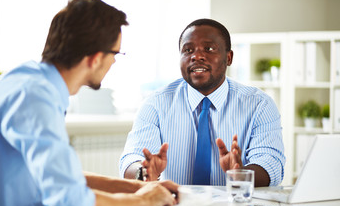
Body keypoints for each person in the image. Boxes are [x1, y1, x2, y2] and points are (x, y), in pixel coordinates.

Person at [0, 0, 178, 206]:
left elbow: (64, 180)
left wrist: (141, 187)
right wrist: (144, 200)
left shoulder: (25, 80)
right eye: (116, 53)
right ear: (95, 58)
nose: (114, 63)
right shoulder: (36, 100)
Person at [119, 18, 286, 187]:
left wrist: (240, 175)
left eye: (209, 48)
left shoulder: (259, 105)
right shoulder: (155, 104)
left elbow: (271, 163)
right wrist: (144, 172)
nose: (196, 56)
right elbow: (131, 159)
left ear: (229, 57)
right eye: (188, 50)